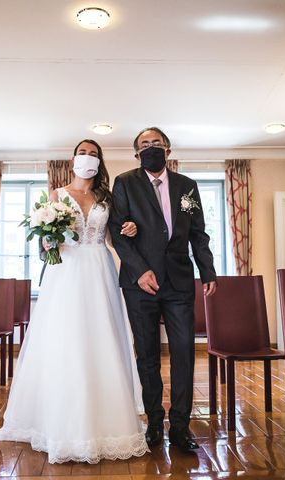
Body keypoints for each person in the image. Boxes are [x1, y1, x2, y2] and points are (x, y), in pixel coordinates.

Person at [0, 139, 149, 464]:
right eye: (83, 153)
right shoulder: (56, 196)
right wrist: (48, 239)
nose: (87, 158)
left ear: (99, 161)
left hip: (99, 270)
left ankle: (105, 420)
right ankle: (60, 423)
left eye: (94, 154)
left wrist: (130, 228)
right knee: (65, 340)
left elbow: (112, 237)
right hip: (65, 273)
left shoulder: (107, 196)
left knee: (101, 338)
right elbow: (44, 245)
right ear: (73, 159)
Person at [109, 127, 217, 452]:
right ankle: (155, 422)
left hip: (180, 282)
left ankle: (180, 427)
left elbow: (198, 232)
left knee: (184, 352)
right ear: (136, 153)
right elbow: (117, 230)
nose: (151, 148)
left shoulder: (187, 186)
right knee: (148, 356)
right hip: (139, 283)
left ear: (168, 150)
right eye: (145, 145)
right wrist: (140, 271)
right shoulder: (125, 182)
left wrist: (207, 269)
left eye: (157, 143)